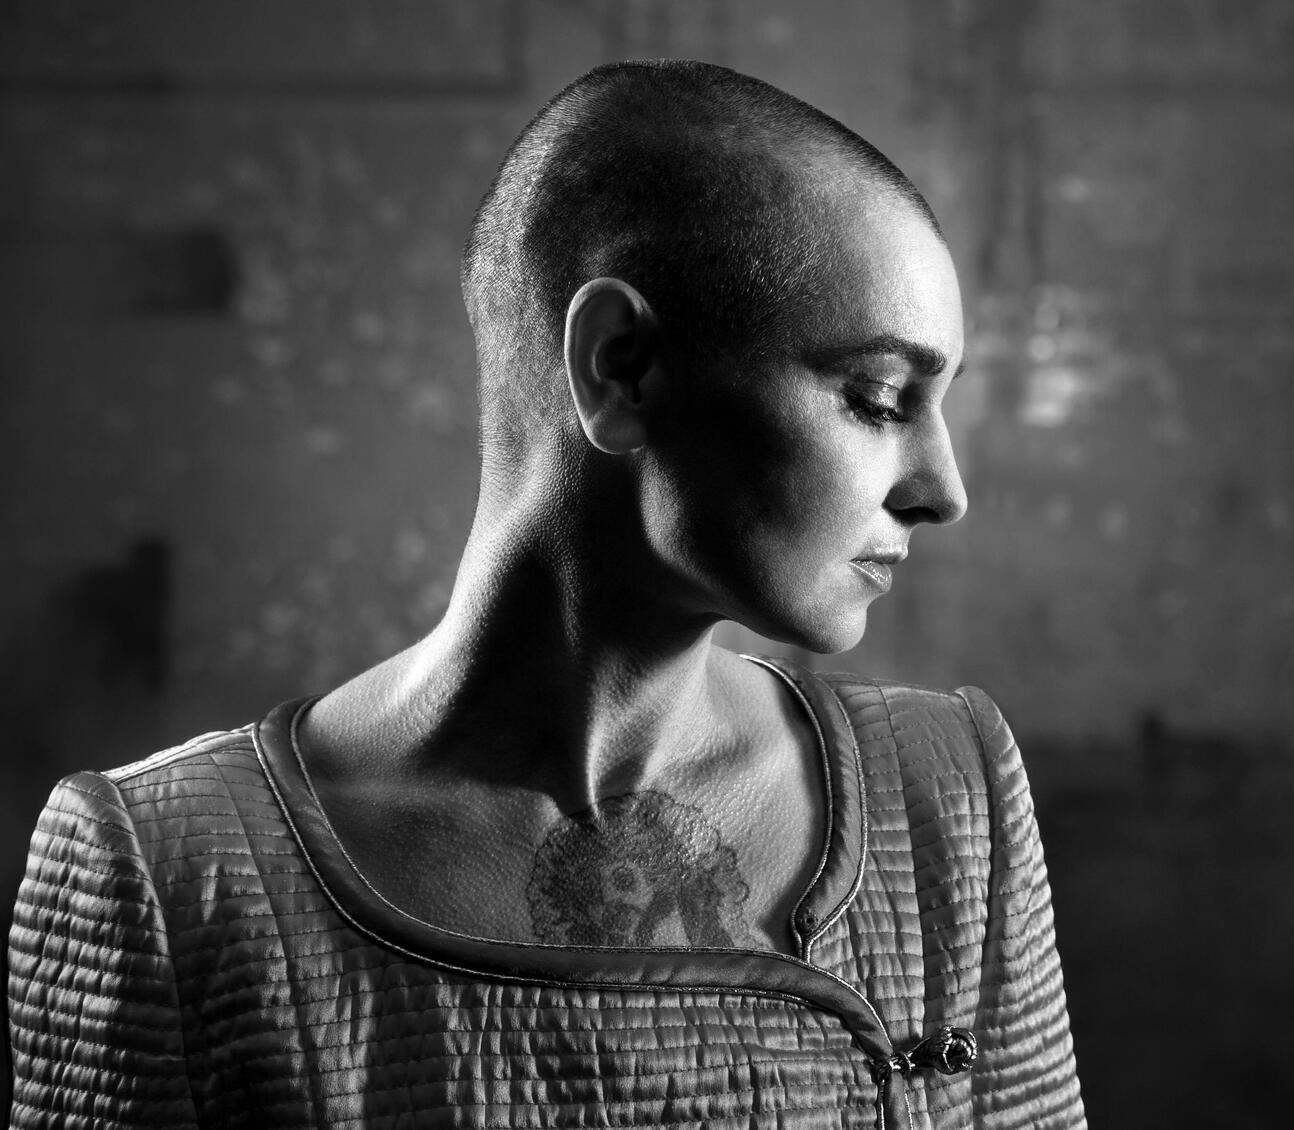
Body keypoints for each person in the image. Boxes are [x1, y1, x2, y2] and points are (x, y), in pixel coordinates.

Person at [9, 60, 1086, 1129]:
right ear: (618, 366)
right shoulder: (167, 870)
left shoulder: (947, 797)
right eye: (879, 397)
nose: (942, 489)